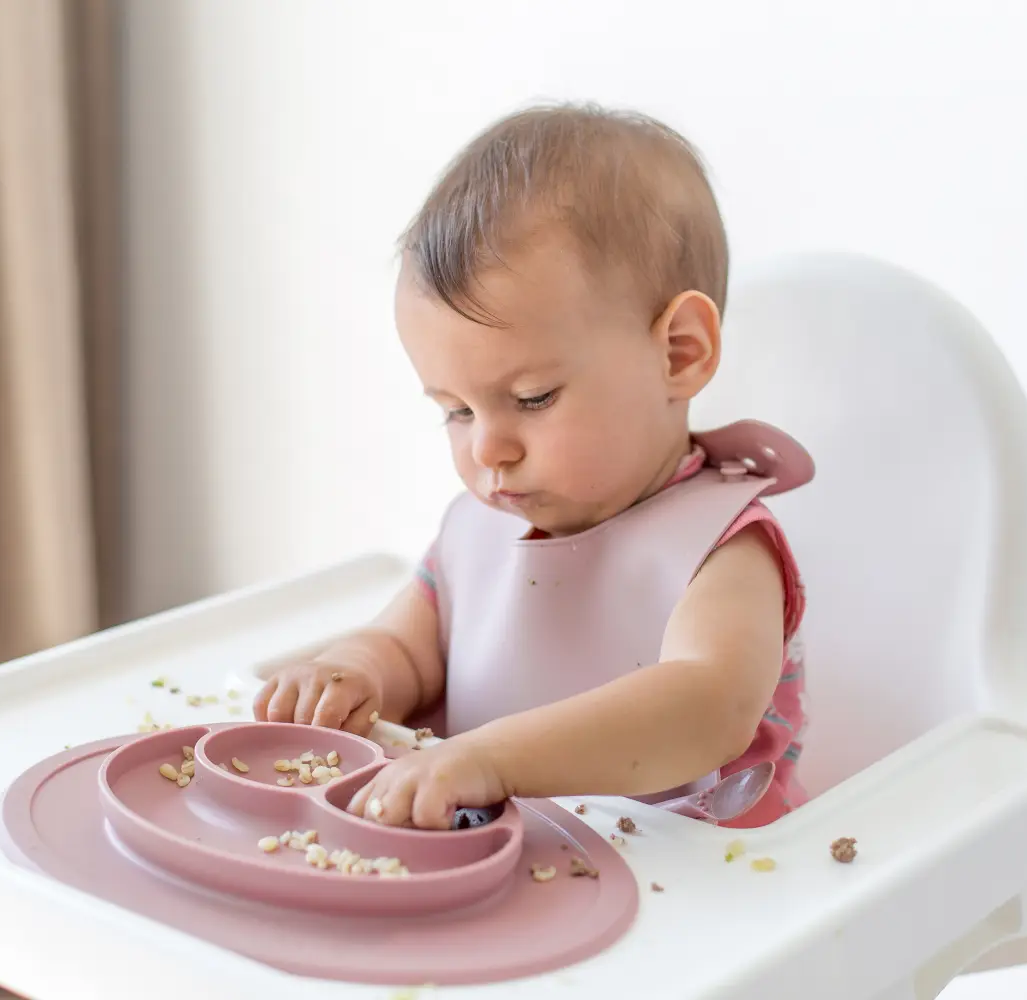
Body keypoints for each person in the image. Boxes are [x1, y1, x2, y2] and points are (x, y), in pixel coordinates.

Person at [254, 103, 812, 830]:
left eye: (531, 397)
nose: (488, 449)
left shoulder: (725, 548)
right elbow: (406, 649)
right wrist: (351, 675)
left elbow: (706, 706)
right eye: (456, 410)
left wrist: (491, 759)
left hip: (698, 891)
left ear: (679, 352)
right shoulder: (479, 532)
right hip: (512, 868)